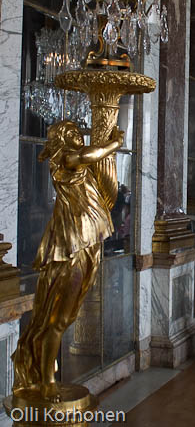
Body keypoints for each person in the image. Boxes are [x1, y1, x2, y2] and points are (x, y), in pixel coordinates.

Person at [12, 120, 123, 402]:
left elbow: (104, 188)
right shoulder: (64, 160)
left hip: (89, 244)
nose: (78, 135)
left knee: (68, 315)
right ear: (61, 139)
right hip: (71, 247)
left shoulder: (79, 166)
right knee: (58, 319)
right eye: (72, 132)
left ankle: (45, 372)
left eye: (77, 131)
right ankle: (46, 379)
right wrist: (114, 144)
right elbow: (86, 156)